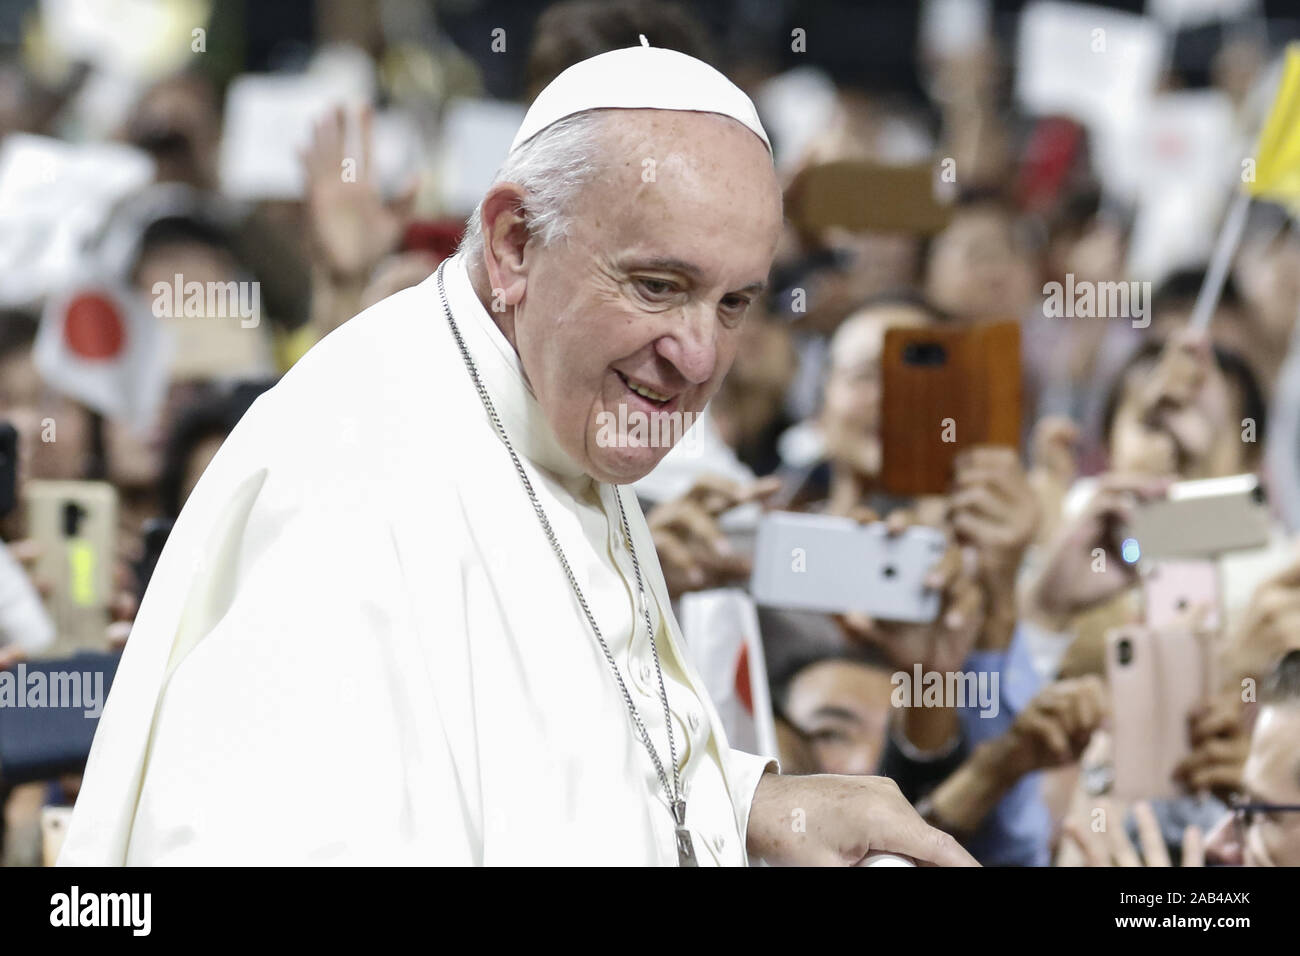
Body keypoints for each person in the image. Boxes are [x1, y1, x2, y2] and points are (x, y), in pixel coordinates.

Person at [60, 43, 973, 867]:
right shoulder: (355, 483)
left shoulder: (554, 409)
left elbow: (555, 764)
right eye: (659, 286)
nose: (698, 357)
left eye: (734, 304)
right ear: (512, 245)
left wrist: (749, 805)